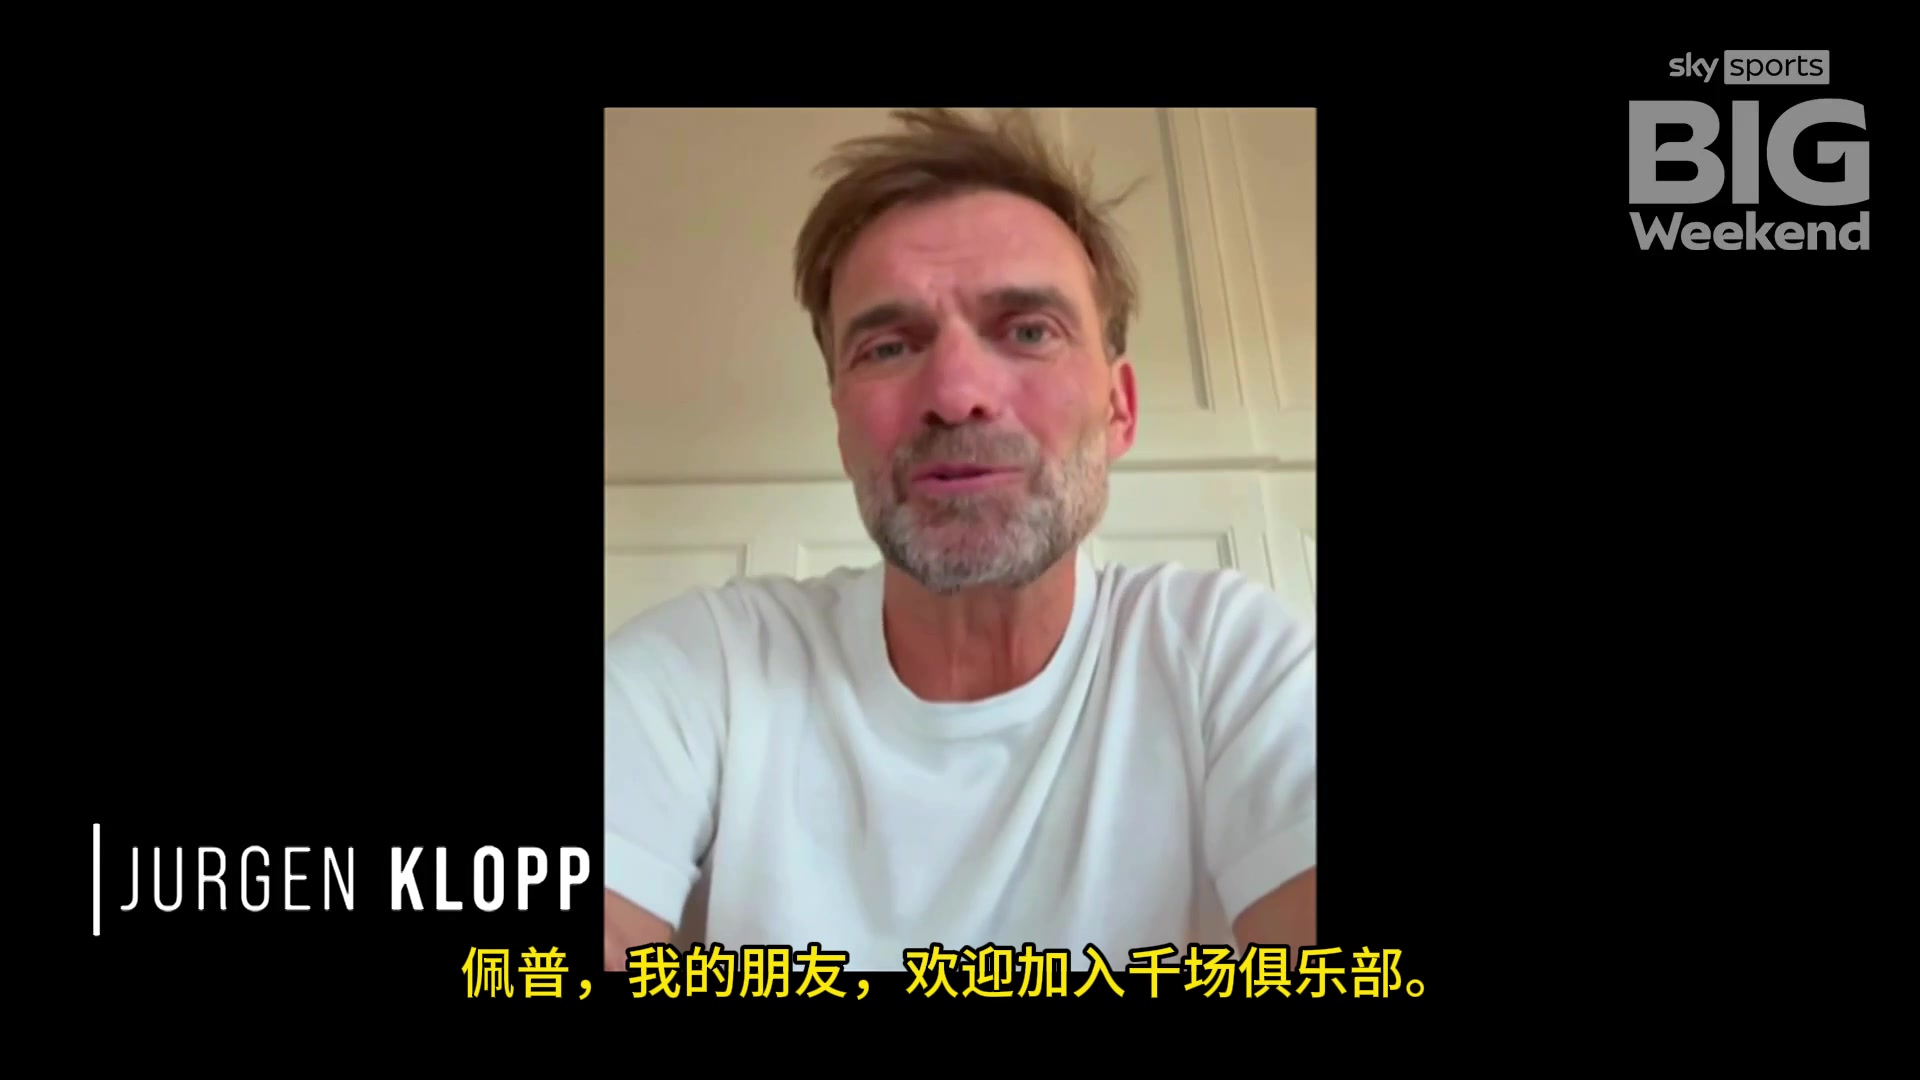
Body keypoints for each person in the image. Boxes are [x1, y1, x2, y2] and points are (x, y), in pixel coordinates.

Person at [603, 108, 1315, 974]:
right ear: (842, 429)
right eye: (888, 346)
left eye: (1029, 331)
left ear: (1119, 410)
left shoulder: (1230, 659)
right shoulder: (703, 667)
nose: (955, 392)